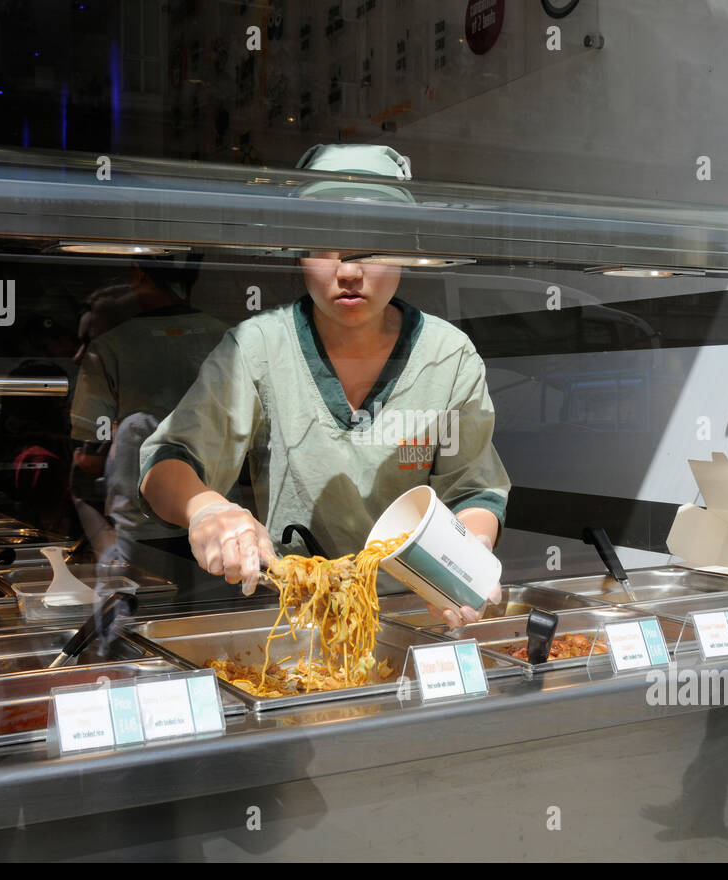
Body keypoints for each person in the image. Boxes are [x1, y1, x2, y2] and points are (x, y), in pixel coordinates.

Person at [138, 144, 510, 627]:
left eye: (373, 244)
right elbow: (167, 462)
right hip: (295, 614)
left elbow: (472, 490)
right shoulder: (259, 347)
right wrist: (207, 509)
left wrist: (471, 552)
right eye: (324, 241)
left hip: (414, 609)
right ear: (297, 251)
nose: (349, 270)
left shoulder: (447, 355)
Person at [70, 258, 230, 596]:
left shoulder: (109, 348)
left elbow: (87, 460)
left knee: (141, 630)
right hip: (222, 523)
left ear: (138, 273)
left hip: (138, 532)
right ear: (198, 274)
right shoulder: (229, 340)